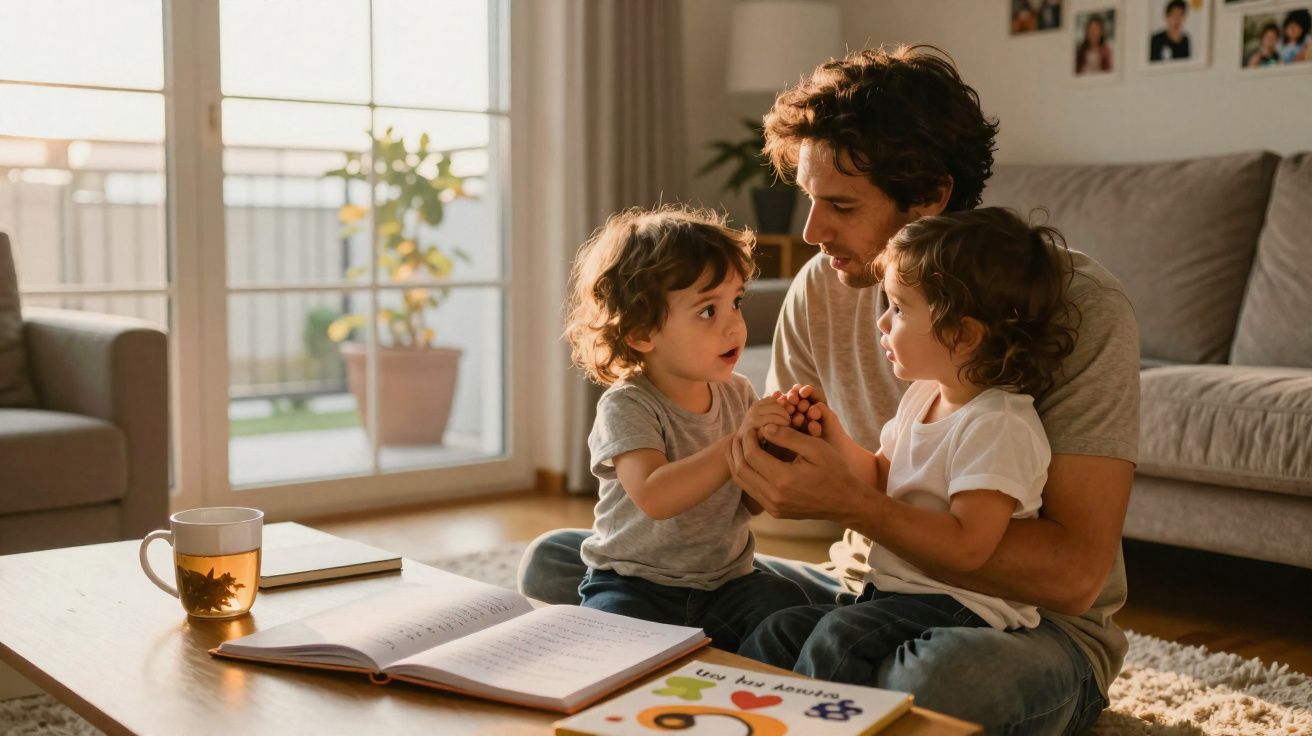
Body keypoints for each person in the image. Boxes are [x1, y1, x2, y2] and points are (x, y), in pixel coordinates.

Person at [521, 46, 1140, 735]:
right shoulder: (823, 283)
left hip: (1019, 624)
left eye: (841, 205)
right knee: (562, 562)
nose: (813, 233)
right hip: (869, 586)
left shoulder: (1075, 303)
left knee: (941, 680)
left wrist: (850, 499)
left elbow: (1073, 578)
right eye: (809, 200)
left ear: (931, 195)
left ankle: (810, 685)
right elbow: (773, 488)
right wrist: (758, 453)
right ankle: (823, 691)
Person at [737, 207, 1077, 683]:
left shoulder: (998, 424)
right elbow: (881, 477)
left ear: (962, 334)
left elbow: (967, 548)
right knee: (781, 630)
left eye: (897, 309)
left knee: (837, 638)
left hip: (959, 604)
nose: (881, 323)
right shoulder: (924, 396)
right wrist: (832, 436)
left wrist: (851, 503)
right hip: (893, 594)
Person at [561, 206, 809, 652]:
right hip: (636, 585)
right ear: (640, 333)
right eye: (706, 311)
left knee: (792, 610)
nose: (733, 323)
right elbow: (656, 496)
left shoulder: (738, 394)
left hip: (729, 585)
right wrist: (739, 442)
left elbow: (748, 502)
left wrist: (775, 452)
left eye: (736, 301)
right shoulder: (628, 404)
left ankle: (735, 684)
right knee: (606, 648)